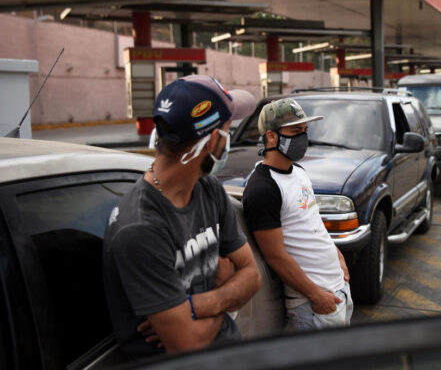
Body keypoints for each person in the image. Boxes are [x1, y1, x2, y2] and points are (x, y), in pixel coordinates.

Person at [103, 75, 260, 359]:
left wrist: (194, 305)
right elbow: (187, 345)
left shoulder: (209, 189)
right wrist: (226, 291)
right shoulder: (140, 228)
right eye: (228, 129)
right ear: (214, 140)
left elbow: (252, 276)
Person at [242, 98, 352, 331]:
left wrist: (338, 256)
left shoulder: (299, 172)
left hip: (337, 289)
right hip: (313, 304)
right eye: (295, 131)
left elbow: (311, 223)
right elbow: (275, 256)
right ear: (271, 136)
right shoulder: (263, 188)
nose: (303, 138)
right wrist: (315, 295)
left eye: (304, 130)